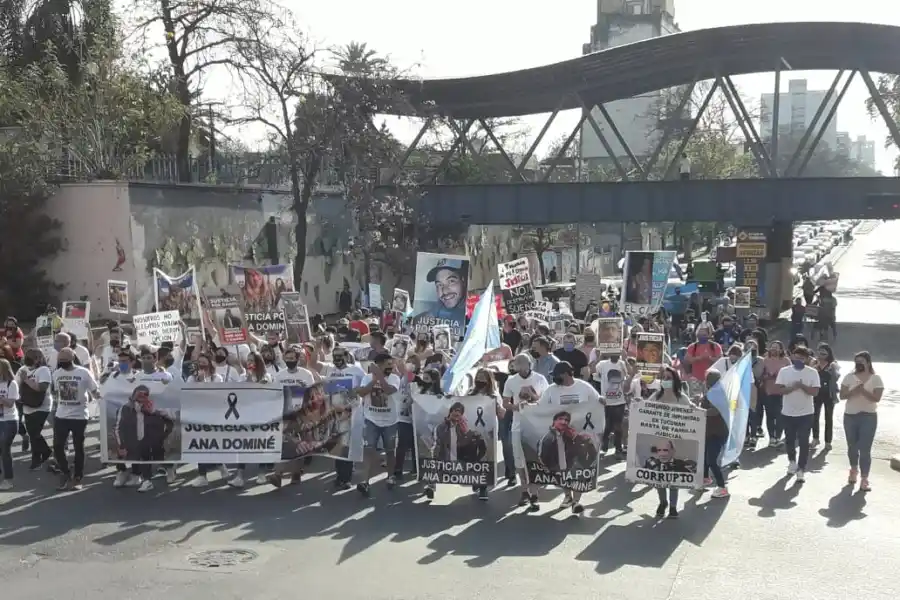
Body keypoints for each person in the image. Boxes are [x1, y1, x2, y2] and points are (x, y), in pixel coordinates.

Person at [536, 361, 602, 515]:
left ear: (565, 374)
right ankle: (567, 496)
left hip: (578, 435)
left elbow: (597, 400)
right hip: (560, 438)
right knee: (563, 468)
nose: (555, 378)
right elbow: (540, 407)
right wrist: (528, 406)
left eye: (557, 375)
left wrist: (602, 401)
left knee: (578, 467)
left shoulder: (583, 386)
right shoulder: (551, 390)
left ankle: (576, 501)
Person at [641, 366, 693, 519]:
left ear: (675, 380)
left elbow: (690, 414)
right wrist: (639, 403)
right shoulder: (656, 396)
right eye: (664, 378)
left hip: (676, 444)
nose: (666, 381)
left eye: (669, 378)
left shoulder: (681, 398)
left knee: (673, 476)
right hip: (659, 443)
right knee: (660, 477)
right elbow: (646, 408)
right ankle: (662, 502)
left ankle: (673, 506)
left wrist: (694, 408)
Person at [502, 353, 548, 507]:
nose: (520, 368)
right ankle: (524, 490)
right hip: (518, 425)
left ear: (530, 365)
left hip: (536, 426)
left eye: (523, 364)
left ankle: (534, 493)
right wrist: (518, 407)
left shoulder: (540, 379)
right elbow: (505, 403)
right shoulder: (511, 381)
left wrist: (533, 399)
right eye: (517, 365)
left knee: (534, 458)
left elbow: (546, 401)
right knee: (519, 459)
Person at [51, 347, 99, 490]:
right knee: (58, 446)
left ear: (72, 359)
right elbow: (55, 391)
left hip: (79, 415)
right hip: (61, 415)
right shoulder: (56, 373)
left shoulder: (83, 372)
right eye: (60, 361)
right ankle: (65, 472)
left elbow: (94, 390)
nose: (62, 363)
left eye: (65, 361)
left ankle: (78, 477)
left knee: (79, 446)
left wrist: (102, 400)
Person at [355, 352, 400, 497]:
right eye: (387, 365)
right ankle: (364, 481)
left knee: (390, 450)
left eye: (391, 365)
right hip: (371, 419)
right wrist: (374, 380)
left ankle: (391, 476)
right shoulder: (367, 378)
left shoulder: (395, 378)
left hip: (390, 421)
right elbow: (361, 393)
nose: (390, 367)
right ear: (378, 365)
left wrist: (380, 376)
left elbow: (388, 390)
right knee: (369, 449)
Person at [774, 346, 820, 483]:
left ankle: (801, 468)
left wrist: (803, 387)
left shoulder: (812, 372)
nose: (799, 360)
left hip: (806, 413)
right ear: (792, 357)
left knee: (804, 441)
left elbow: (815, 392)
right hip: (788, 412)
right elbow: (779, 390)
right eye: (797, 357)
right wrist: (792, 388)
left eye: (802, 358)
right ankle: (792, 461)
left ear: (806, 359)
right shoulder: (784, 371)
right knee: (789, 439)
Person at [840, 351, 883, 491]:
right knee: (852, 446)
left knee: (865, 449)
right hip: (850, 415)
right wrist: (854, 391)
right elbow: (842, 395)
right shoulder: (849, 377)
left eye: (862, 361)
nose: (859, 364)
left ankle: (864, 478)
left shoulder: (876, 378)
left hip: (868, 416)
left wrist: (863, 391)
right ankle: (853, 470)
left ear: (868, 363)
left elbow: (876, 398)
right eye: (857, 361)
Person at [16, 348, 54, 470]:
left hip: (41, 406)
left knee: (34, 433)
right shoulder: (22, 369)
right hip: (27, 405)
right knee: (33, 434)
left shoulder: (44, 370)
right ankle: (37, 459)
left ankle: (44, 453)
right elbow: (16, 385)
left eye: (34, 356)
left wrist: (26, 379)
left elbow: (41, 388)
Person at [699, 369, 729, 498]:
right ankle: (705, 478)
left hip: (718, 433)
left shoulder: (719, 393)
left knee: (711, 460)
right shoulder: (711, 392)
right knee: (704, 456)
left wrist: (699, 411)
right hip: (708, 431)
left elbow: (715, 410)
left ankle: (722, 487)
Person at [595, 352, 627, 457]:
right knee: (607, 426)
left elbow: (631, 373)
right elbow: (593, 370)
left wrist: (626, 359)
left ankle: (618, 448)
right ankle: (604, 446)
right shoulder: (603, 364)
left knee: (618, 427)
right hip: (606, 402)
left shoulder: (622, 364)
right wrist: (599, 356)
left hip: (619, 402)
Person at [760, 341, 790, 447]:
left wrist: (780, 376)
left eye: (776, 347)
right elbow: (761, 376)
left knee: (780, 415)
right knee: (770, 415)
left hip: (782, 392)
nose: (773, 349)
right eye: (772, 347)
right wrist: (767, 376)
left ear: (781, 350)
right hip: (769, 391)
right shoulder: (765, 360)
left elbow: (791, 374)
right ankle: (772, 438)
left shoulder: (786, 360)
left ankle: (778, 437)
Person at [811, 343, 840, 450]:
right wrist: (814, 366)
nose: (821, 354)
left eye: (824, 352)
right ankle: (815, 438)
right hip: (816, 394)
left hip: (829, 394)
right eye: (820, 351)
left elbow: (836, 377)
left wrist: (833, 370)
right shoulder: (814, 363)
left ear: (828, 353)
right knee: (814, 417)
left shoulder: (833, 364)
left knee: (828, 418)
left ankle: (828, 441)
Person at [0, 358, 20, 489]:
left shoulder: (11, 384)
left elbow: (10, 403)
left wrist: (1, 399)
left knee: (5, 448)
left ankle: (9, 479)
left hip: (9, 420)